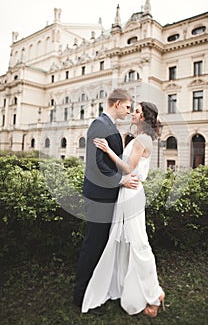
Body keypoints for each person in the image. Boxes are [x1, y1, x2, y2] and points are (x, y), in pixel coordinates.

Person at [81, 101, 165, 318]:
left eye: (136, 111)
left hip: (131, 191)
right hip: (127, 191)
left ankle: (154, 295)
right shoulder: (139, 138)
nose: (132, 114)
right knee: (123, 241)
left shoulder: (142, 139)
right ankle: (123, 287)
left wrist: (108, 150)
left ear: (144, 117)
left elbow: (128, 168)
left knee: (138, 243)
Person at [73, 88, 139, 314]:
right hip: (99, 197)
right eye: (128, 107)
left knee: (100, 245)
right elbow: (96, 165)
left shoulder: (110, 126)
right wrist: (121, 181)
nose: (129, 112)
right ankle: (81, 296)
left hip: (107, 196)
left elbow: (111, 161)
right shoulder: (99, 125)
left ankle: (96, 290)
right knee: (93, 246)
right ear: (118, 103)